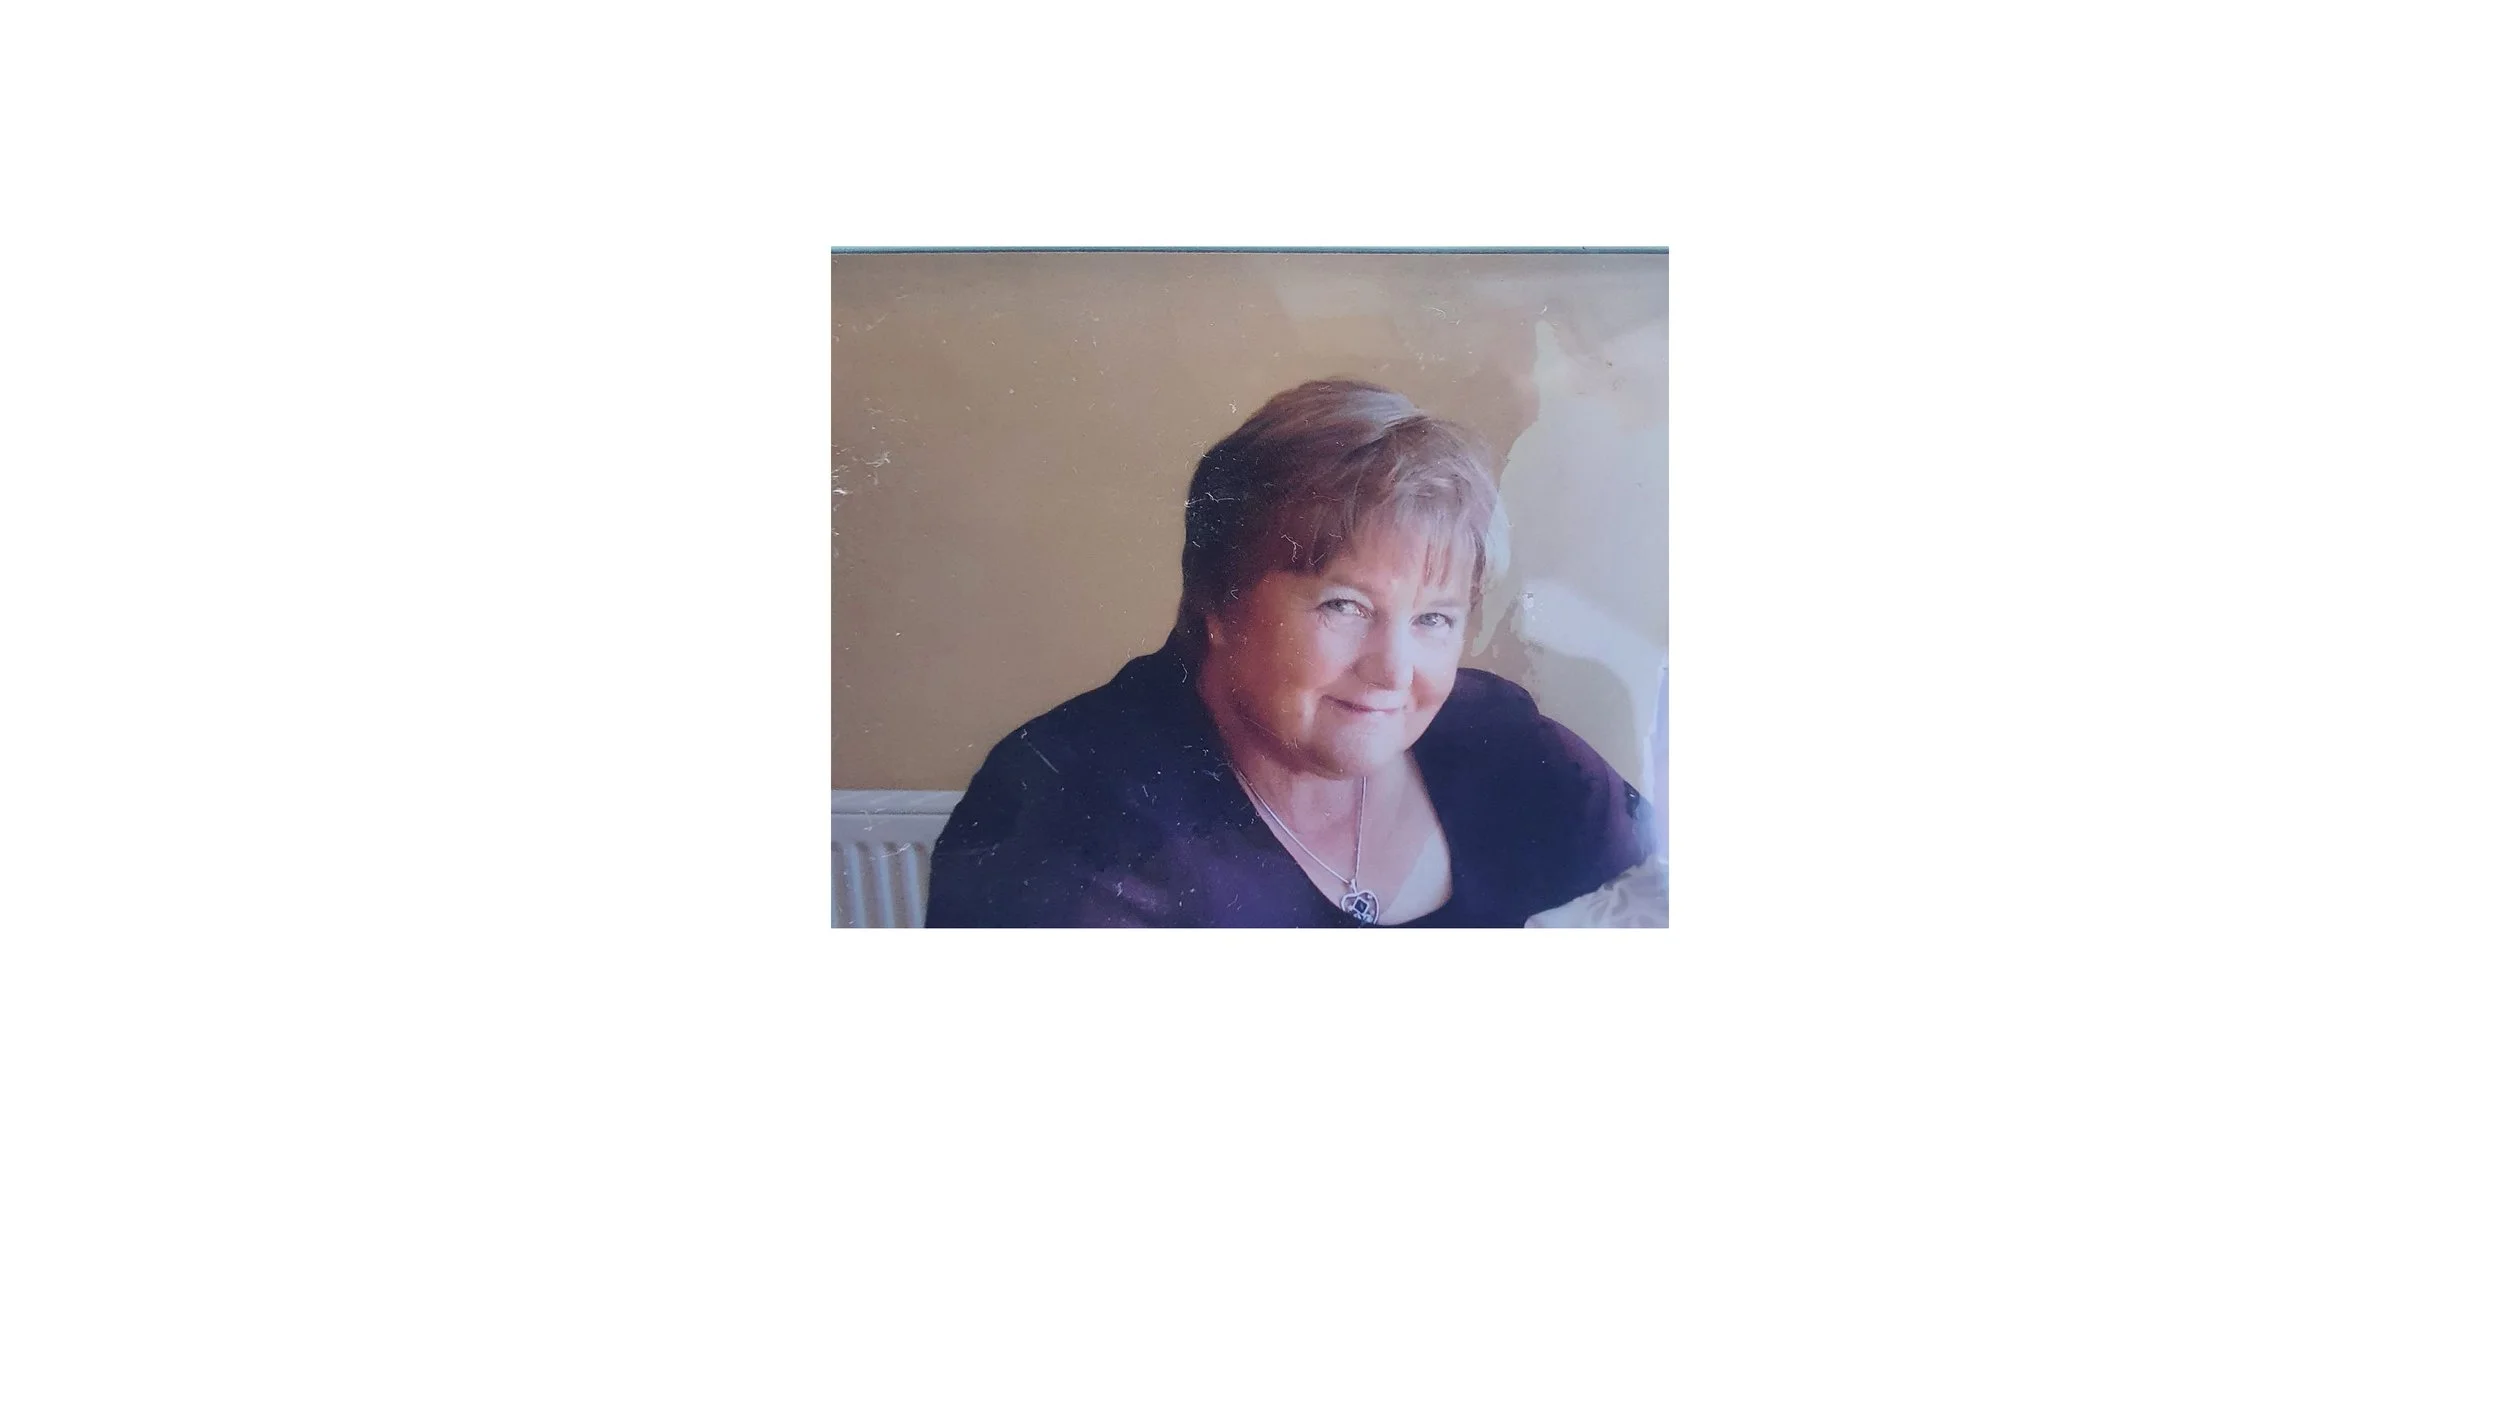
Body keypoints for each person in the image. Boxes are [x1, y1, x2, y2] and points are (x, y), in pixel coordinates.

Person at [924, 379, 1657, 927]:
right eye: (1345, 607)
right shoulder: (1068, 809)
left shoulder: (1500, 740)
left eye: (1434, 618)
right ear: (1219, 600)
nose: (1394, 672)